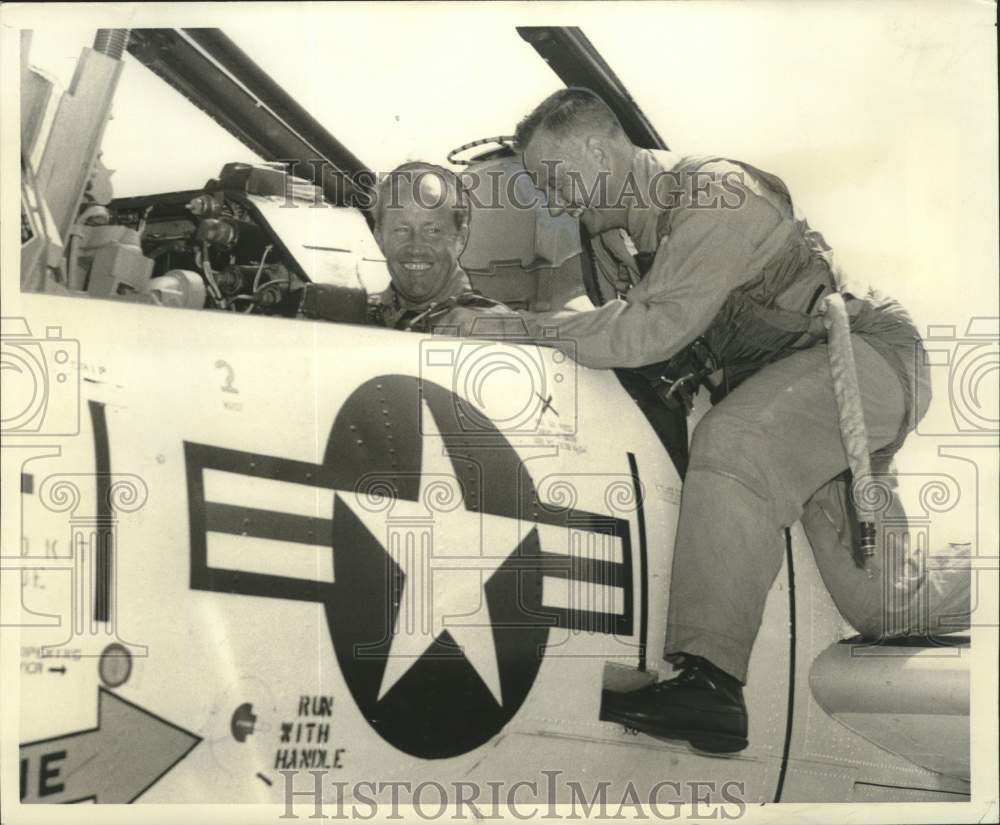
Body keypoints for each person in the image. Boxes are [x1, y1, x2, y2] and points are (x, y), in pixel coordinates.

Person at [514, 88, 969, 753]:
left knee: (734, 440)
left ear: (597, 147)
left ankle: (711, 684)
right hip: (790, 391)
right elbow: (629, 336)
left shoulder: (716, 194)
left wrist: (515, 330)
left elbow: (648, 331)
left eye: (555, 178)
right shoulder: (616, 245)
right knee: (879, 606)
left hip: (864, 355)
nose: (554, 201)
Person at [370, 161, 519, 335]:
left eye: (433, 230)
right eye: (401, 230)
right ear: (379, 237)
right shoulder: (354, 316)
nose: (416, 248)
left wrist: (506, 329)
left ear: (460, 240)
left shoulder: (489, 325)